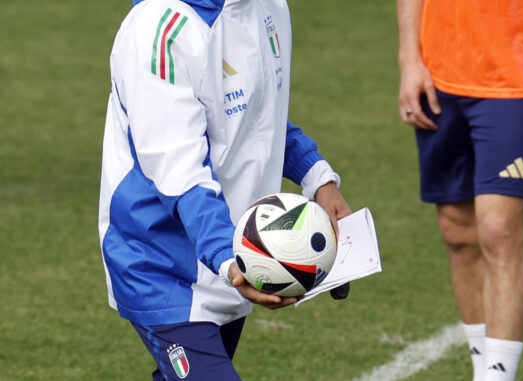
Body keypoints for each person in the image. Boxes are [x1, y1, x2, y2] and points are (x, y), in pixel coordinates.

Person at [98, 0, 351, 379]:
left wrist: (319, 178)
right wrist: (232, 262)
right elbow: (181, 174)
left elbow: (261, 118)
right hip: (162, 263)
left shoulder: (267, 7)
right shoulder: (158, 31)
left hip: (236, 254)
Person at [397, 1, 523, 380]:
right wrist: (409, 60)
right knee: (457, 232)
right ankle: (482, 370)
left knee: (499, 230)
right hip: (440, 72)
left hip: (517, 75)